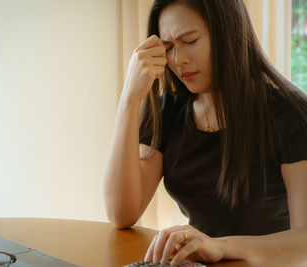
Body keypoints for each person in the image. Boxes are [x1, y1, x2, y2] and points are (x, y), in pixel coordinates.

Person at [103, 0, 307, 266]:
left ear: (227, 34)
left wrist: (220, 246)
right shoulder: (169, 111)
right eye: (169, 47)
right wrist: (129, 98)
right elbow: (122, 213)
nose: (178, 59)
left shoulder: (289, 113)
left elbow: (304, 241)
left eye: (190, 41)